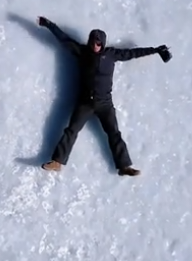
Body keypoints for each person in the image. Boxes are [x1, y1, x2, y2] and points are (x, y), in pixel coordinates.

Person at [37, 17, 172, 176]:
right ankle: (57, 162)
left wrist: (156, 50)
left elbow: (134, 53)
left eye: (99, 43)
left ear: (103, 43)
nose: (95, 45)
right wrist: (48, 24)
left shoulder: (112, 54)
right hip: (85, 103)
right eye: (93, 42)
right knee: (71, 130)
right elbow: (63, 38)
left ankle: (124, 167)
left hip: (105, 104)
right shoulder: (82, 52)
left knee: (114, 133)